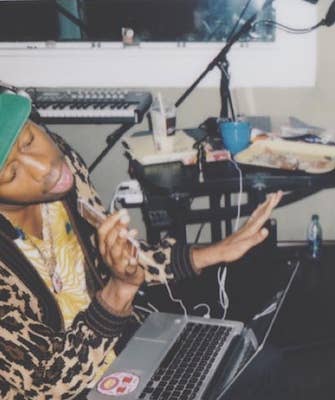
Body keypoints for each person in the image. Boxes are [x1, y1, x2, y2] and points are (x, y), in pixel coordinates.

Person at [0, 92, 282, 399]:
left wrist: (217, 251)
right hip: (69, 387)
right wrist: (119, 291)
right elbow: (50, 380)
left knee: (259, 364)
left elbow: (126, 257)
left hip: (122, 351)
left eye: (29, 140)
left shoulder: (65, 169)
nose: (44, 167)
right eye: (11, 174)